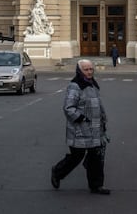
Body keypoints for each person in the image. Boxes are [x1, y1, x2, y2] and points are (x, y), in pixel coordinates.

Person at [51, 59, 110, 195]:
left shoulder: (92, 84)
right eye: (86, 69)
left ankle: (96, 186)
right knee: (76, 156)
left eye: (91, 69)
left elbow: (98, 104)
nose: (89, 72)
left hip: (95, 128)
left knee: (96, 157)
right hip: (80, 129)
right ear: (79, 71)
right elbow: (68, 107)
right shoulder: (75, 85)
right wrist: (82, 118)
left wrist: (103, 121)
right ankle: (57, 172)